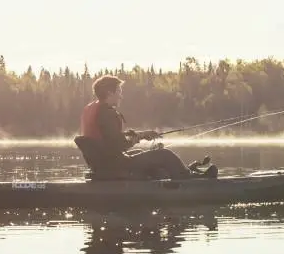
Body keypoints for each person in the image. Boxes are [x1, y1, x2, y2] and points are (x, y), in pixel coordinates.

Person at [78, 74, 215, 179]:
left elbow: (109, 138)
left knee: (141, 153)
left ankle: (177, 173)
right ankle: (189, 178)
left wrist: (141, 134)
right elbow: (118, 145)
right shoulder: (107, 114)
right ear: (110, 93)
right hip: (114, 166)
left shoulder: (95, 110)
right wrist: (136, 139)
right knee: (165, 154)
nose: (121, 96)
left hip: (104, 165)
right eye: (119, 91)